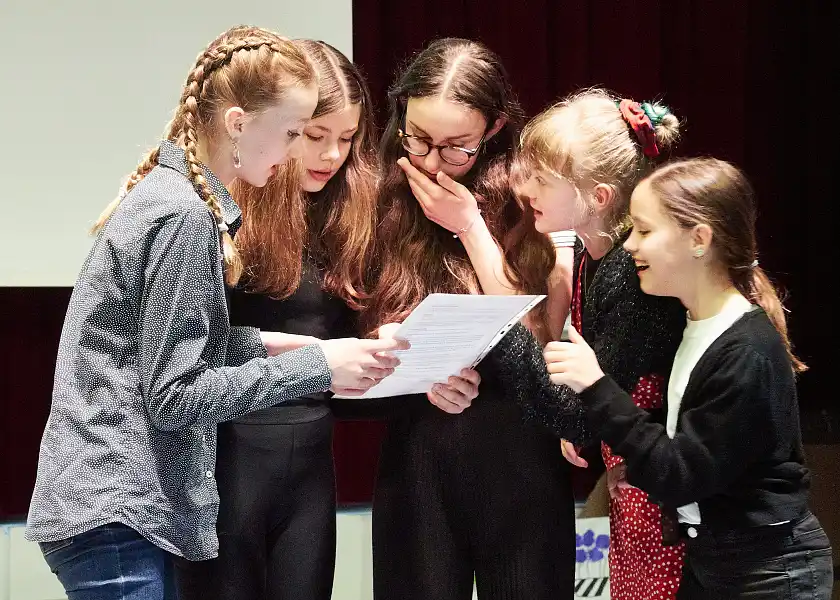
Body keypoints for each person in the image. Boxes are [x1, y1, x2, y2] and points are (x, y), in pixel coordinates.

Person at [25, 26, 405, 600]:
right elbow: (176, 392)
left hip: (116, 510)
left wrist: (317, 351)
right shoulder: (183, 216)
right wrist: (318, 369)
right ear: (238, 124)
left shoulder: (178, 196)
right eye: (295, 133)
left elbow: (194, 345)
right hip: (117, 509)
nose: (298, 153)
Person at [545, 157, 833, 599]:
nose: (629, 247)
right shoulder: (698, 327)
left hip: (766, 573)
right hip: (717, 563)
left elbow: (681, 476)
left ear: (699, 239)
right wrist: (644, 457)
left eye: (644, 231)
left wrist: (597, 386)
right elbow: (701, 442)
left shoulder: (745, 351)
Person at [365, 38, 584, 600]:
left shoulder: (531, 194)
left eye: (455, 147)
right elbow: (352, 332)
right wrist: (405, 364)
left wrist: (470, 226)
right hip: (421, 450)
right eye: (418, 137)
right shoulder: (380, 189)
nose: (432, 161)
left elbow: (537, 331)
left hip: (519, 447)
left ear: (494, 129)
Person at [512, 89, 687, 598]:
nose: (528, 191)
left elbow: (587, 407)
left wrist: (505, 342)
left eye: (543, 180)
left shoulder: (631, 277)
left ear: (599, 197)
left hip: (664, 493)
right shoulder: (595, 260)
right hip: (633, 478)